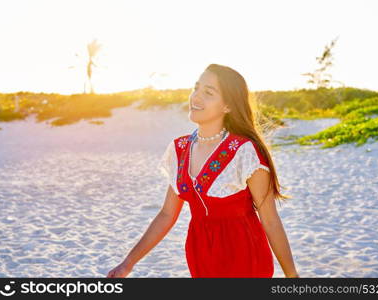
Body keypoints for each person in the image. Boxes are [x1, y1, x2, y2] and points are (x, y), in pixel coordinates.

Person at [107, 63, 299, 278]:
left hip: (245, 257)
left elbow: (270, 220)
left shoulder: (244, 152)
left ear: (228, 106)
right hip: (200, 254)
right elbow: (167, 214)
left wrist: (292, 277)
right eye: (196, 88)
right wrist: (128, 263)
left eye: (208, 93)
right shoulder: (179, 150)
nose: (196, 97)